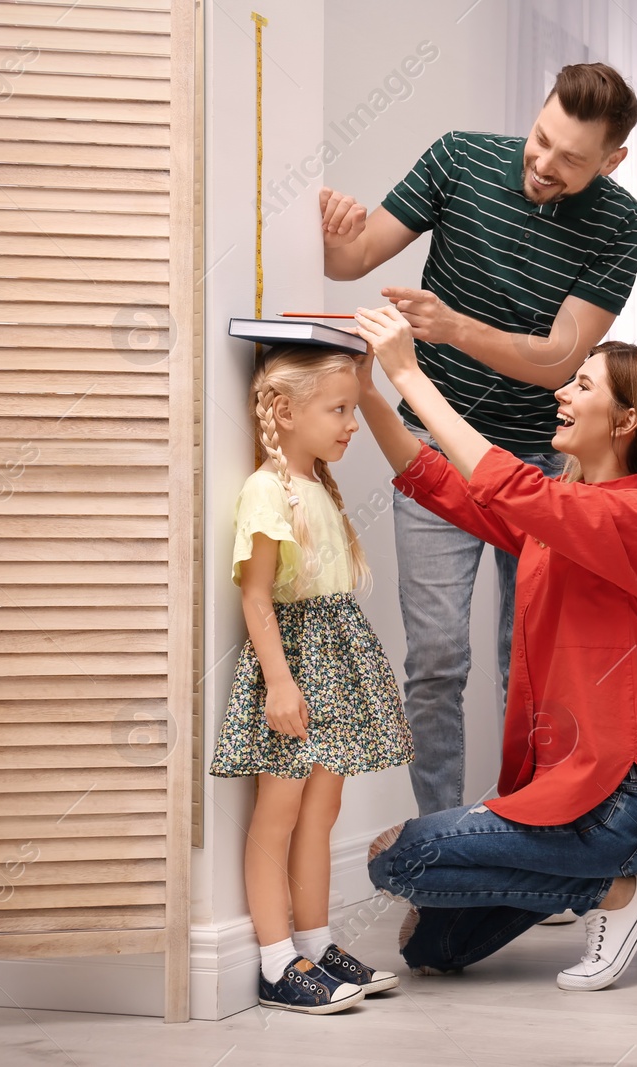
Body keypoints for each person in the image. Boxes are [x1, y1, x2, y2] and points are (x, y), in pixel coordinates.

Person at [319, 63, 637, 817]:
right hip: (436, 457)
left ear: (611, 161)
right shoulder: (459, 158)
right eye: (541, 139)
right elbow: (352, 259)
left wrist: (452, 329)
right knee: (435, 662)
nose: (543, 164)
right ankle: (444, 849)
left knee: (530, 664)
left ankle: (530, 840)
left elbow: (562, 360)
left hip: (540, 468)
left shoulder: (623, 224)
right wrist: (336, 231)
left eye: (571, 159)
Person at [350, 305, 637, 991]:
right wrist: (369, 392)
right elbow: (442, 484)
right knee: (435, 946)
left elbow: (509, 484)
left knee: (399, 856)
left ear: (627, 420)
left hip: (615, 800)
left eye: (583, 386)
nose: (562, 393)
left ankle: (617, 893)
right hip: (558, 793)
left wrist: (409, 373)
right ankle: (619, 886)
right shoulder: (559, 519)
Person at [210, 346, 416, 1014]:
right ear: (284, 411)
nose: (351, 423)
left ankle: (318, 944)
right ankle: (276, 961)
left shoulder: (319, 485)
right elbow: (256, 596)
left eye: (352, 407)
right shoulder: (266, 492)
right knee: (279, 814)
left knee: (320, 813)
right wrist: (278, 681)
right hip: (298, 667)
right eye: (339, 409)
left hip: (334, 663)